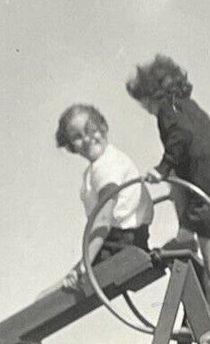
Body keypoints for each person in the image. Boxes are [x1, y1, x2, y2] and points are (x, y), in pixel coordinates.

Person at [126, 54, 210, 344]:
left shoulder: (168, 113)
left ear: (151, 96)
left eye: (144, 102)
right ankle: (186, 237)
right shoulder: (189, 108)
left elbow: (179, 141)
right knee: (179, 186)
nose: (145, 109)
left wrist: (161, 168)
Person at [53, 103, 154, 290]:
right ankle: (55, 289)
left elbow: (104, 217)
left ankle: (56, 289)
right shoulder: (96, 168)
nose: (86, 139)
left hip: (124, 240)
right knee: (64, 286)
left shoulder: (107, 164)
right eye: (76, 137)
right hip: (118, 238)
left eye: (90, 130)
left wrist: (84, 267)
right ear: (70, 146)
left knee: (68, 287)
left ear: (103, 127)